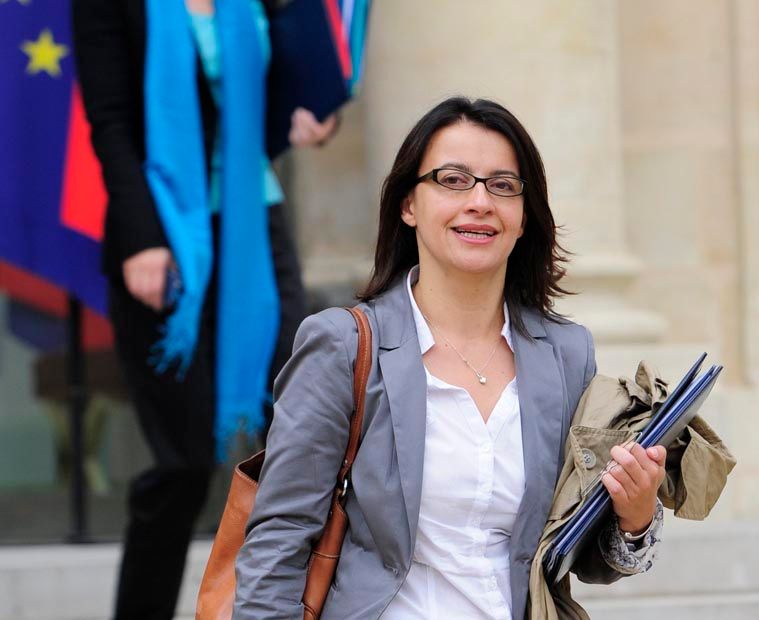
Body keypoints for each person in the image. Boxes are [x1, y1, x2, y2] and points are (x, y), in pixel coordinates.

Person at [234, 97, 667, 619]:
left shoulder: (567, 355)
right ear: (408, 205)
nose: (479, 201)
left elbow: (578, 557)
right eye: (453, 180)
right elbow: (279, 536)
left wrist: (634, 515)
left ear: (523, 217)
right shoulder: (342, 346)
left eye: (502, 185)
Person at [71, 1, 339, 618]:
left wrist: (316, 117)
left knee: (300, 437)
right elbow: (110, 123)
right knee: (184, 464)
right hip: (164, 236)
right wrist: (142, 238)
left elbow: (292, 86)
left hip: (256, 231)